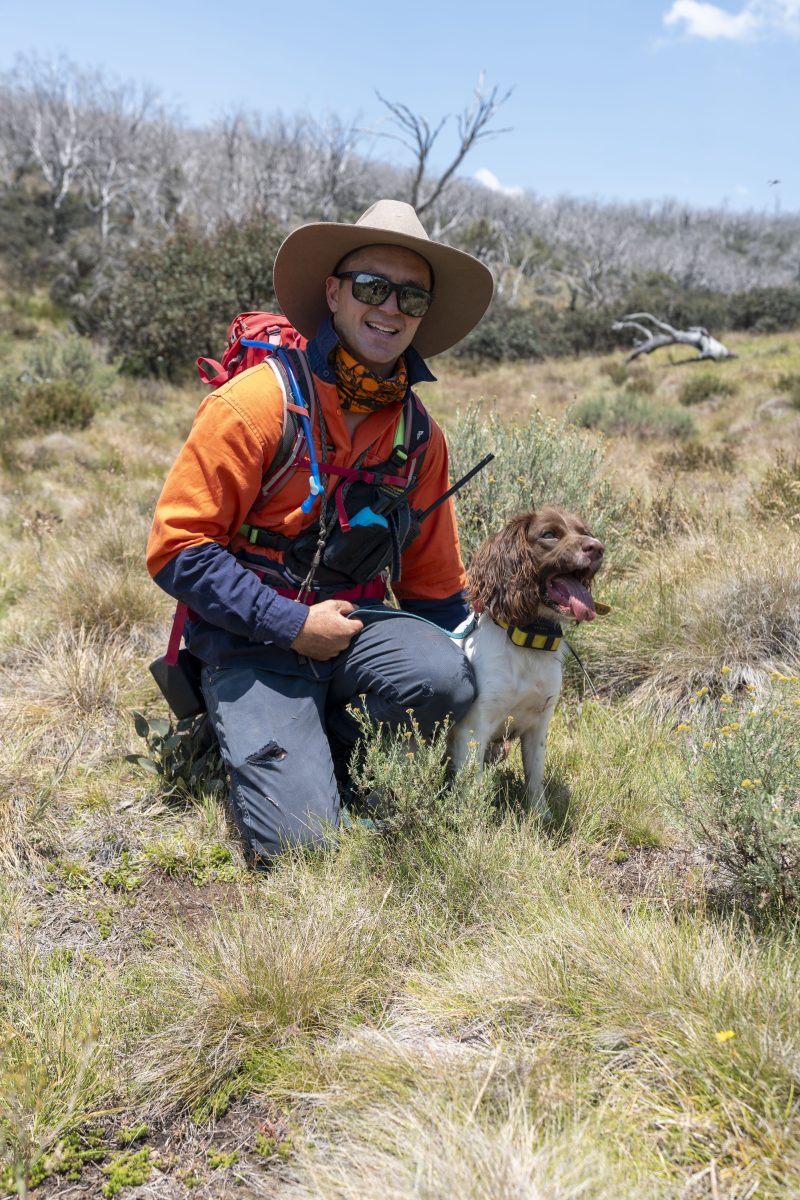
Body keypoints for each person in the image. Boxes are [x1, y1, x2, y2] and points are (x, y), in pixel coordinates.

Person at [146, 199, 494, 861]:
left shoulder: (419, 437)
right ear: (333, 294)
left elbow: (435, 593)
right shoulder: (257, 404)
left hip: (352, 635)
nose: (390, 308)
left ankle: (325, 738)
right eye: (371, 287)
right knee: (303, 849)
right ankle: (253, 738)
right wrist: (290, 624)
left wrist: (481, 694)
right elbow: (176, 549)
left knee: (449, 678)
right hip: (250, 640)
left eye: (411, 297)